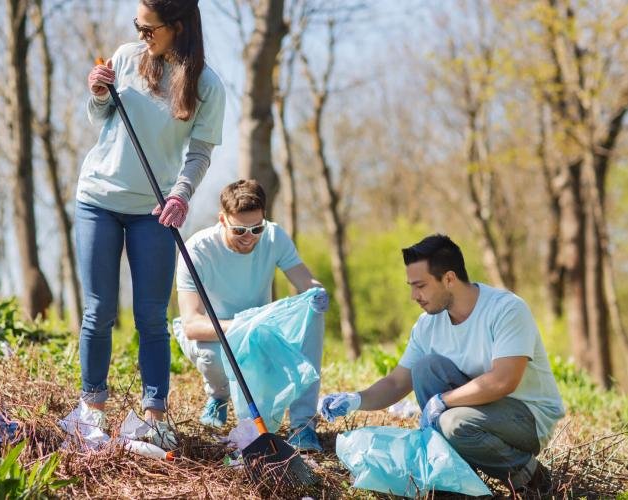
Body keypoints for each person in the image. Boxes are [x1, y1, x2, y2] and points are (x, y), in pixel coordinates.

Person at [75, 0, 225, 450]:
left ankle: (155, 416)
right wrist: (99, 94)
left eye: (148, 28)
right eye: (136, 26)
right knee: (99, 312)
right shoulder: (125, 58)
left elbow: (199, 152)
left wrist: (181, 193)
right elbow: (99, 119)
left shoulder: (207, 85)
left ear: (176, 27)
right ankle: (90, 412)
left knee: (151, 317)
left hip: (155, 210)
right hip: (97, 199)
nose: (140, 34)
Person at [319, 234, 564, 492]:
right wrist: (355, 400)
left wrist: (443, 401)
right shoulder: (428, 325)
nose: (414, 295)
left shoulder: (506, 309)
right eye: (411, 286)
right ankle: (455, 478)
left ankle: (532, 478)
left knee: (453, 423)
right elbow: (396, 382)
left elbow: (503, 380)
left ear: (449, 279)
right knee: (425, 369)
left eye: (420, 285)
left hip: (527, 416)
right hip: (481, 409)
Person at [175, 180, 328, 452]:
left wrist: (317, 293)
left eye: (257, 228)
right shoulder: (197, 250)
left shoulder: (273, 236)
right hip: (218, 334)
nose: (249, 237)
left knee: (313, 312)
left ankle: (303, 425)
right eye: (239, 230)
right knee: (211, 358)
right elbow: (191, 324)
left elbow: (305, 281)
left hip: (260, 332)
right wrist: (244, 326)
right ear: (222, 220)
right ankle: (219, 394)